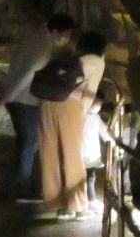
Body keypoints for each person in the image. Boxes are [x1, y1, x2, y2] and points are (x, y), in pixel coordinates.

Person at [0, 12, 75, 199]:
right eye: (67, 34)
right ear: (55, 32)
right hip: (24, 100)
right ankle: (20, 186)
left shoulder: (35, 36)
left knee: (27, 142)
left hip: (20, 99)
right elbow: (26, 75)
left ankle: (20, 183)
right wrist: (7, 97)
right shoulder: (44, 48)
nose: (68, 38)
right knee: (28, 142)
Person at [37, 30, 106, 218]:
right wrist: (81, 114)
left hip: (47, 102)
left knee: (50, 153)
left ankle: (55, 202)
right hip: (69, 105)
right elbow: (90, 92)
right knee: (72, 155)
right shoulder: (97, 61)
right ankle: (75, 205)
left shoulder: (68, 56)